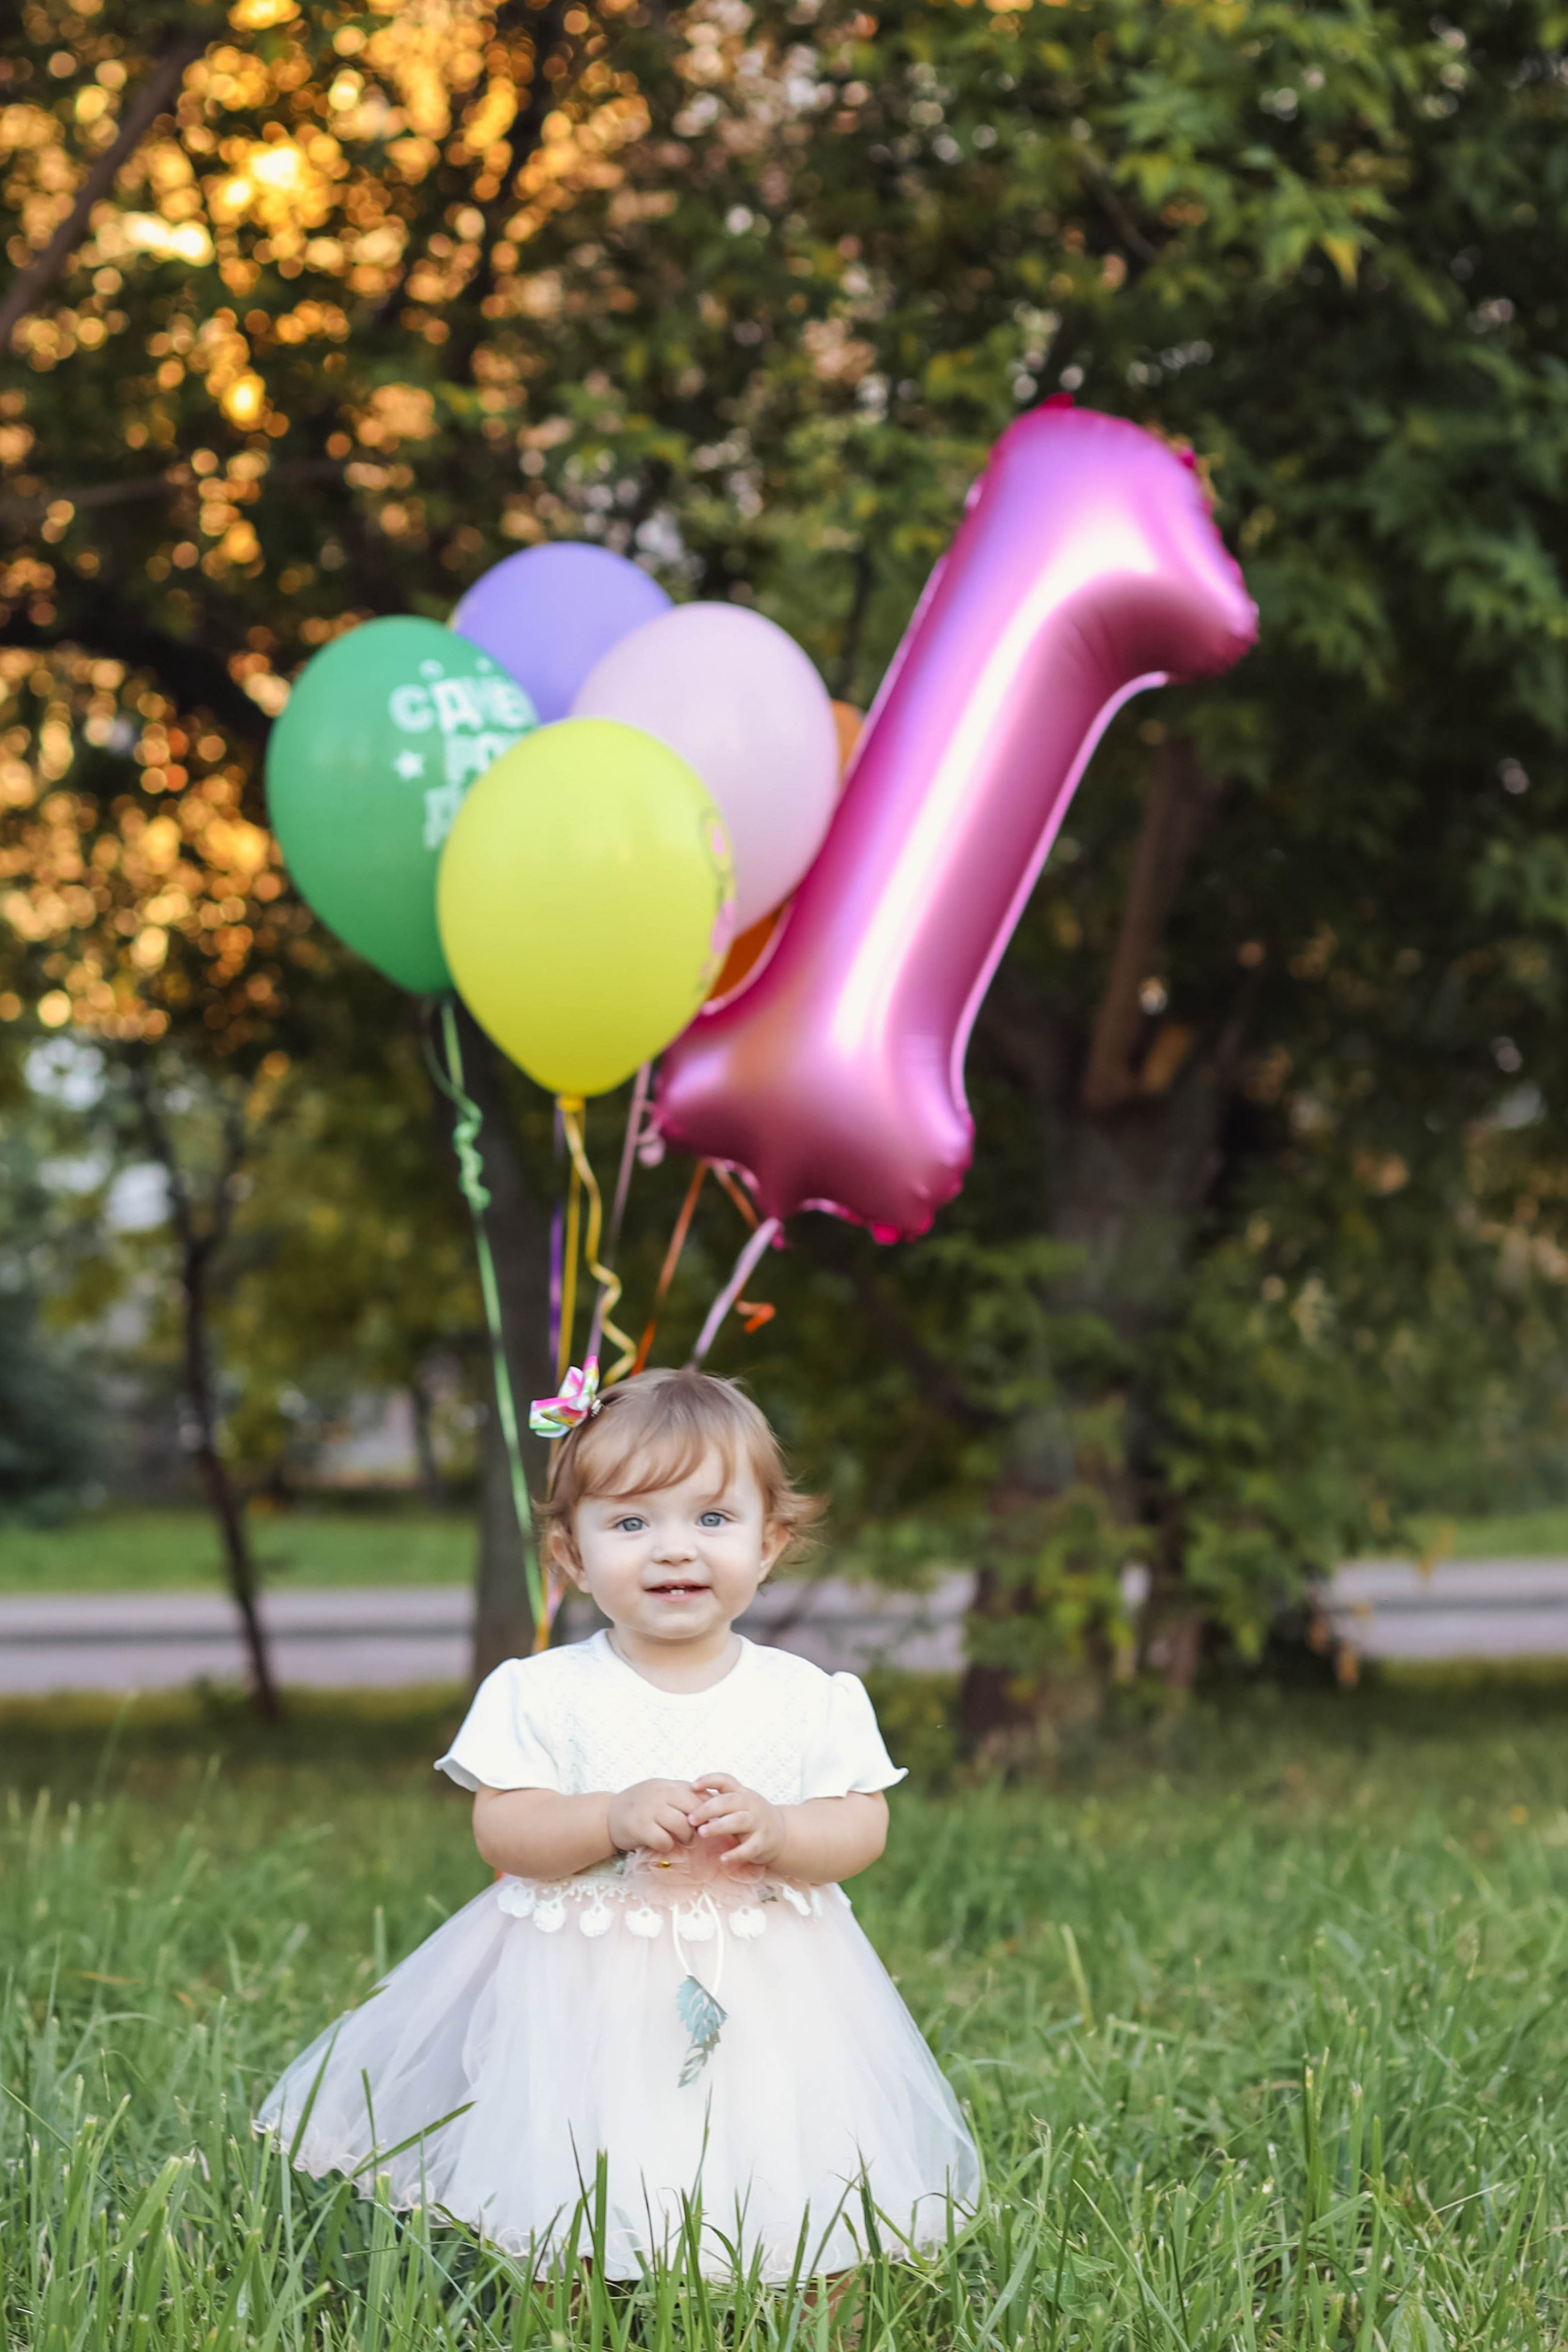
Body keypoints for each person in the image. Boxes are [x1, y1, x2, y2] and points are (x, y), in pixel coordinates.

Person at [257, 1364, 979, 2278]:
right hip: (583, 1988)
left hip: (772, 1980)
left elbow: (861, 1827)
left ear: (769, 1543)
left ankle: (810, 2292)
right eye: (632, 1524)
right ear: (571, 1555)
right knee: (580, 2156)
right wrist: (609, 1816)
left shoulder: (809, 1698)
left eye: (712, 1519)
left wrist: (783, 1832)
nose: (674, 1551)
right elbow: (504, 1832)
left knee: (788, 2141)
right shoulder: (542, 1692)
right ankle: (572, 2300)